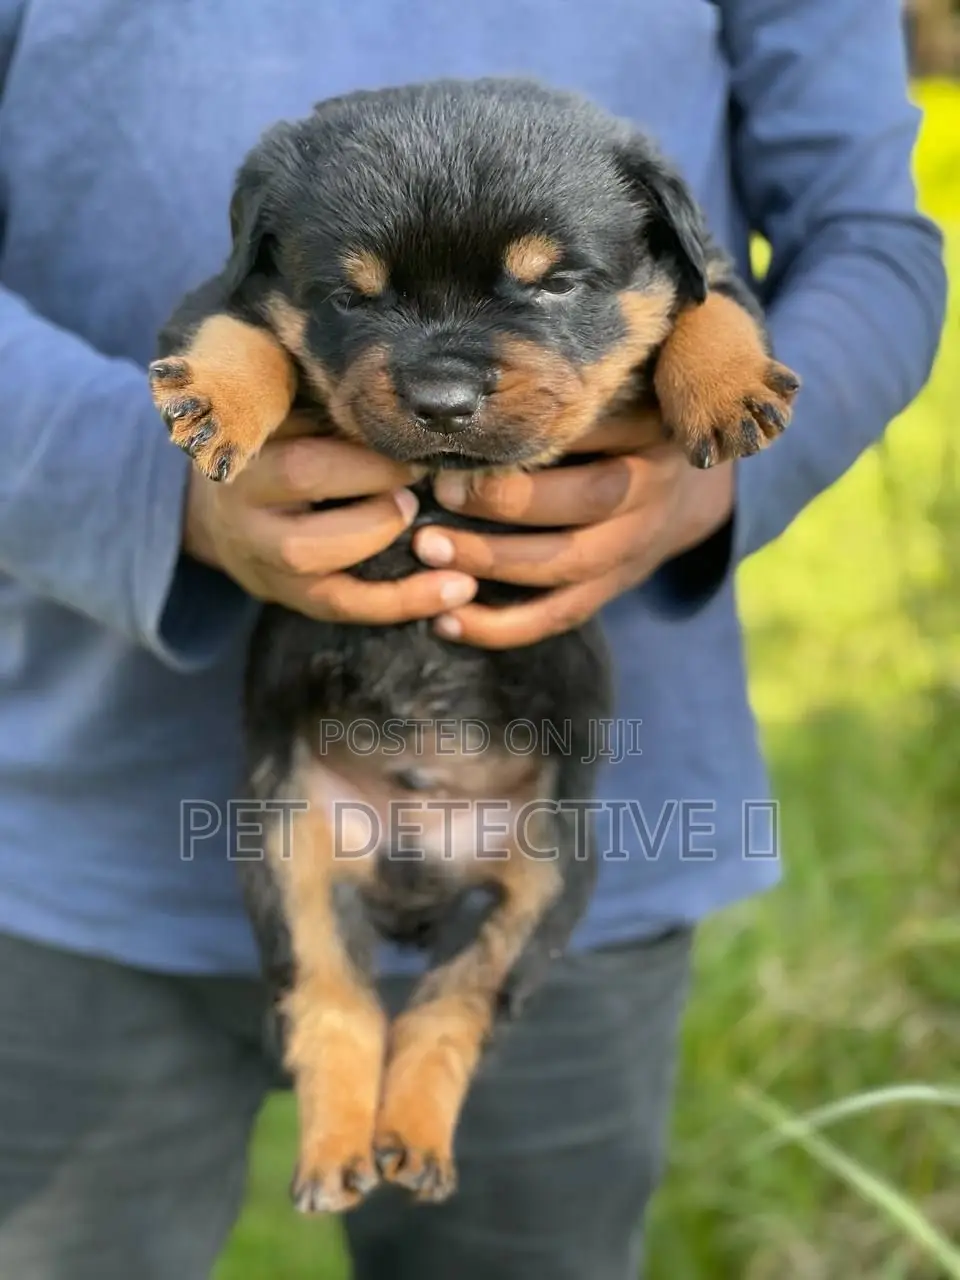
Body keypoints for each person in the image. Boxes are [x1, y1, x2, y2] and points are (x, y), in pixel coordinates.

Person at [0, 1, 945, 1277]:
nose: (443, 385)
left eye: (547, 280)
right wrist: (150, 477)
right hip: (77, 817)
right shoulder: (266, 278)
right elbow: (235, 319)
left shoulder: (653, 230)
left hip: (572, 791)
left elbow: (863, 235)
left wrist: (715, 466)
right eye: (360, 302)